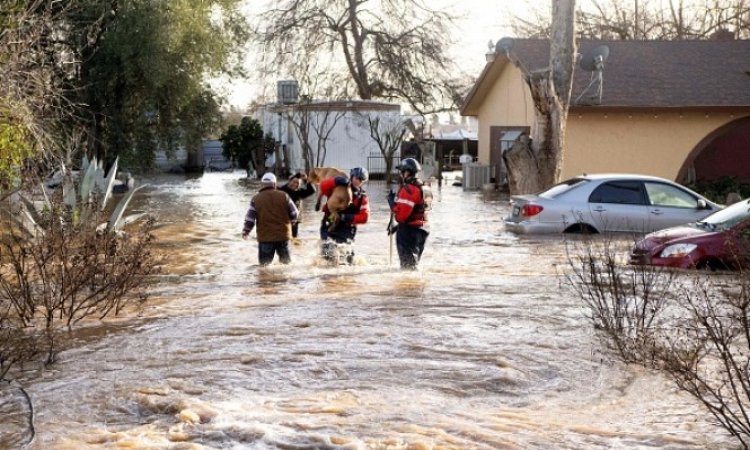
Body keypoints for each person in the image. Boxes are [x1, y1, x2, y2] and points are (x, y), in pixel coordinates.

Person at [241, 172, 299, 266]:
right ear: (275, 184)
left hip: (265, 238)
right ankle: (287, 281)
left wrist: (246, 231)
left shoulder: (256, 198)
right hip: (283, 236)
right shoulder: (284, 196)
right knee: (286, 265)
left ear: (262, 184)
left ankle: (265, 281)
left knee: (264, 267)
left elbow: (250, 219)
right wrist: (292, 222)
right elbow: (295, 213)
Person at [319, 167, 370, 264]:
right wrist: (334, 181)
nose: (358, 181)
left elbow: (365, 218)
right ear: (351, 177)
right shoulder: (337, 187)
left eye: (361, 180)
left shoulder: (362, 198)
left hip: (346, 229)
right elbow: (322, 187)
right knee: (327, 254)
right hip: (328, 224)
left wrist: (345, 218)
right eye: (356, 178)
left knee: (347, 260)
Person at [387, 158, 431, 270]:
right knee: (413, 264)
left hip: (409, 232)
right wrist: (398, 227)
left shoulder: (408, 189)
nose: (401, 175)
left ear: (406, 172)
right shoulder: (425, 187)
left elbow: (401, 216)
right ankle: (414, 286)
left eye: (401, 172)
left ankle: (409, 287)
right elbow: (420, 210)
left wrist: (392, 204)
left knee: (407, 268)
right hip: (423, 230)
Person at [278, 172, 316, 238]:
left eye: (298, 183)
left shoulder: (299, 192)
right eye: (293, 182)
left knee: (294, 238)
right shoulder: (282, 190)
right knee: (283, 238)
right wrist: (296, 176)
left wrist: (305, 180)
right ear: (289, 182)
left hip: (295, 220)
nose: (295, 184)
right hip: (283, 219)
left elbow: (312, 190)